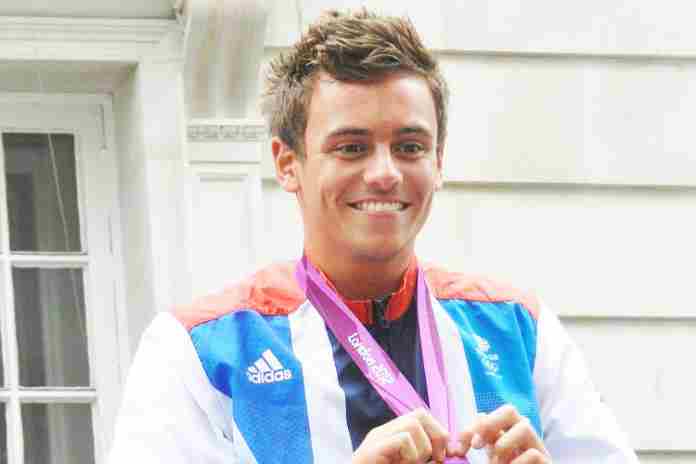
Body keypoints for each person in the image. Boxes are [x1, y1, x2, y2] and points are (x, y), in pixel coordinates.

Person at [109, 9, 639, 464]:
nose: (385, 172)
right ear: (288, 162)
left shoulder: (519, 329)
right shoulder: (201, 350)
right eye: (351, 147)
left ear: (438, 160)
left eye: (409, 145)